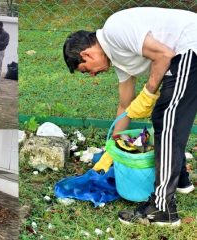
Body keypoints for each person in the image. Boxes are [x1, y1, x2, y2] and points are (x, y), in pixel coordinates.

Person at [63, 7, 197, 226]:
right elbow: (125, 106)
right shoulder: (119, 60)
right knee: (165, 119)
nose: (93, 74)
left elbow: (164, 55)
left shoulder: (114, 30)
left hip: (190, 46)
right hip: (186, 52)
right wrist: (111, 150)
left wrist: (149, 91)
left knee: (166, 118)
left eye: (87, 70)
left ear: (85, 54)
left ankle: (161, 209)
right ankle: (180, 179)